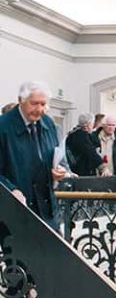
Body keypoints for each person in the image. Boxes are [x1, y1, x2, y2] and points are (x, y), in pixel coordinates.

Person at [0, 81, 67, 225]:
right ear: (20, 101)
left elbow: (56, 156)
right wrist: (11, 189)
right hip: (16, 210)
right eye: (34, 103)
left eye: (43, 104)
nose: (39, 109)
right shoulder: (3, 128)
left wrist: (59, 170)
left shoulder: (48, 123)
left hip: (47, 208)